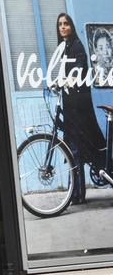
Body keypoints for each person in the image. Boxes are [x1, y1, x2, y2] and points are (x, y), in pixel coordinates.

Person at [53, 13, 107, 205]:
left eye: (66, 23)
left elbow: (80, 69)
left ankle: (76, 194)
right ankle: (75, 194)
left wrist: (67, 81)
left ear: (71, 26)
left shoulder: (76, 46)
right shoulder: (63, 48)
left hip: (78, 105)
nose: (62, 27)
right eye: (60, 24)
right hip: (70, 103)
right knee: (72, 149)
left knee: (75, 149)